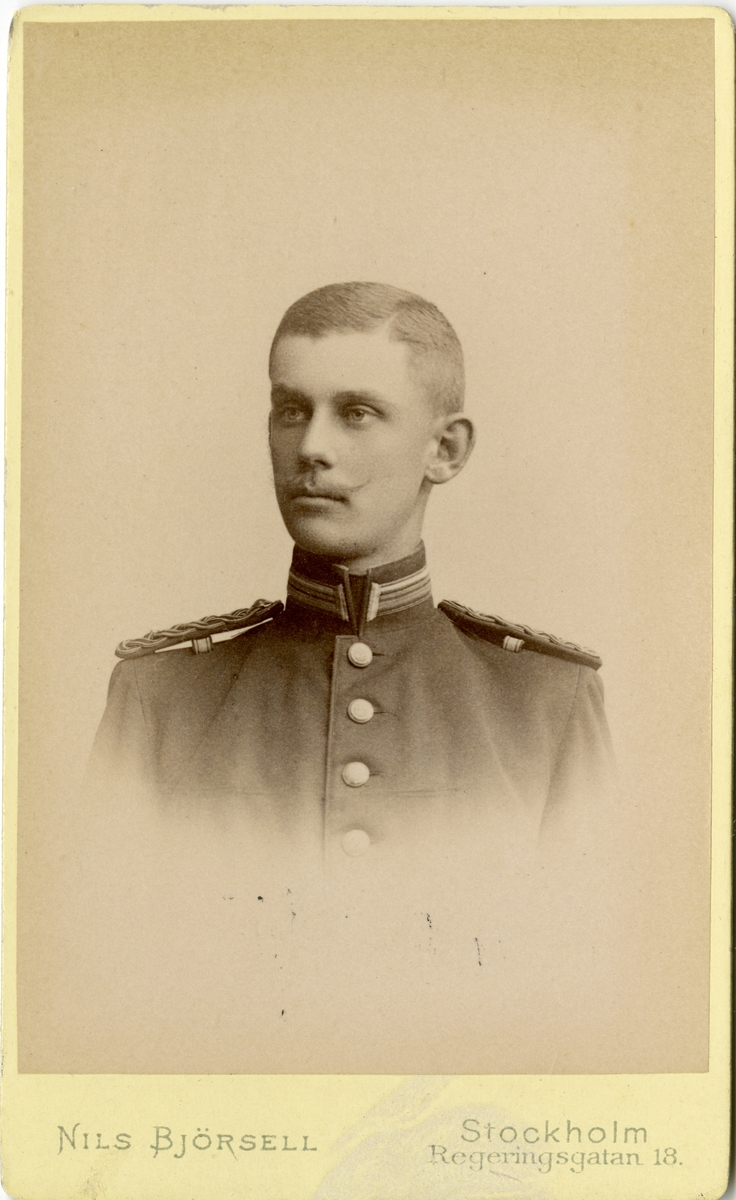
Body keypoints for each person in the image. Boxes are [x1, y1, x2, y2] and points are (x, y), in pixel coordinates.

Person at [72, 282, 621, 1074]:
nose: (311, 447)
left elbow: (588, 1011)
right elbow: (101, 998)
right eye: (291, 410)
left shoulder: (547, 705)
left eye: (357, 412)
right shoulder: (159, 698)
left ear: (446, 450)